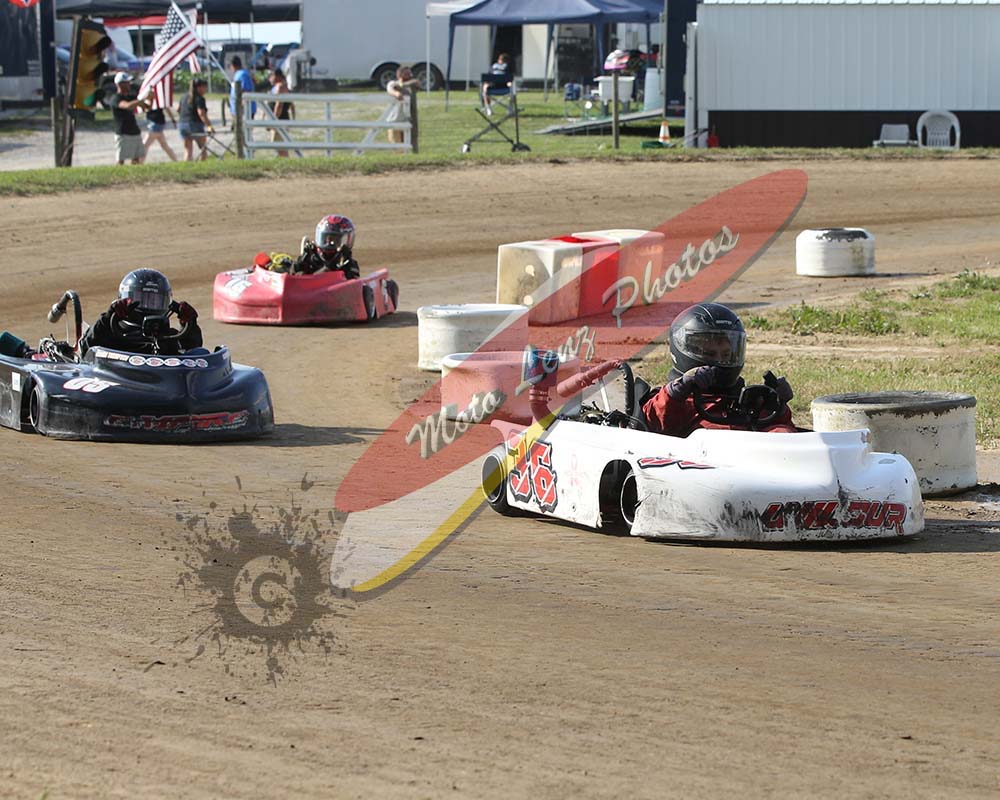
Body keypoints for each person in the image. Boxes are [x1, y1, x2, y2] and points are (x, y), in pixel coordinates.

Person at [641, 303, 796, 437]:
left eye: (726, 355)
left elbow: (779, 427)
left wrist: (777, 405)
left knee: (783, 432)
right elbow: (654, 424)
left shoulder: (743, 400)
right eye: (710, 354)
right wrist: (679, 389)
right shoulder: (676, 400)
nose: (720, 361)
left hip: (748, 455)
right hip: (701, 456)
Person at [79, 269, 203, 357]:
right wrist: (107, 318)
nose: (149, 307)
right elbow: (87, 350)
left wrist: (190, 325)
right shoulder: (110, 333)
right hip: (118, 383)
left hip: (162, 384)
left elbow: (194, 355)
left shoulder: (170, 337)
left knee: (201, 353)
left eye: (155, 301)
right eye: (141, 300)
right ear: (124, 300)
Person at [294, 216, 360, 278]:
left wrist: (341, 259)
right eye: (326, 239)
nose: (328, 243)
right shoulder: (312, 258)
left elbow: (352, 280)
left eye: (334, 239)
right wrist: (302, 260)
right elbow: (295, 275)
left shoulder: (348, 264)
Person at [108, 72, 151, 165]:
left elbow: (147, 107)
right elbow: (126, 106)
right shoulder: (115, 98)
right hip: (123, 133)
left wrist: (150, 98)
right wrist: (141, 100)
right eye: (126, 82)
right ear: (120, 84)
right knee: (121, 160)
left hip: (134, 131)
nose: (129, 84)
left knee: (136, 159)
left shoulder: (130, 97)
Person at [177, 78, 214, 162]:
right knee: (203, 149)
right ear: (199, 87)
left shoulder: (184, 97)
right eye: (205, 87)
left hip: (182, 124)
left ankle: (187, 167)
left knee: (188, 150)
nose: (206, 89)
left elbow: (178, 110)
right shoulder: (199, 98)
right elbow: (201, 113)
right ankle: (202, 166)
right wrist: (209, 126)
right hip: (195, 124)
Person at [385, 65, 420, 145]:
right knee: (397, 147)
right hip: (394, 121)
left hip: (407, 121)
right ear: (399, 75)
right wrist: (396, 93)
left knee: (407, 145)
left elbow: (417, 83)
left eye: (409, 74)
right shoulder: (393, 83)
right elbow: (390, 89)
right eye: (406, 74)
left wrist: (405, 85)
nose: (409, 76)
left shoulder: (411, 86)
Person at [267, 68, 292, 157]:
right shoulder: (276, 87)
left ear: (277, 76)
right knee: (277, 145)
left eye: (271, 76)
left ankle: (285, 161)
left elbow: (279, 105)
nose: (270, 78)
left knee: (280, 146)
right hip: (278, 120)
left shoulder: (281, 87)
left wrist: (273, 121)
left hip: (280, 120)